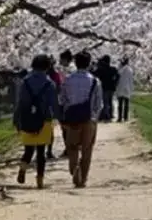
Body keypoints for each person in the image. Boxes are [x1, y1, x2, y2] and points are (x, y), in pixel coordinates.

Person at [58, 50, 104, 187]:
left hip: (73, 118)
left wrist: (66, 112)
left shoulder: (67, 80)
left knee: (72, 147)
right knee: (87, 148)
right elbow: (99, 103)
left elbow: (62, 99)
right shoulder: (95, 81)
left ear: (75, 63)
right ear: (89, 64)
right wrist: (95, 117)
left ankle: (74, 168)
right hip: (89, 119)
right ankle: (83, 177)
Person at [13, 54, 58, 189]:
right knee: (41, 151)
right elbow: (53, 103)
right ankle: (40, 179)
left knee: (28, 150)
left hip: (27, 118)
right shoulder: (50, 83)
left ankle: (23, 168)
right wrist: (59, 117)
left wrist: (16, 120)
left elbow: (19, 102)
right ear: (47, 67)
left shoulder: (25, 82)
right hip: (44, 119)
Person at [45, 56, 63, 160]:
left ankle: (41, 149)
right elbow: (59, 89)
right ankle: (49, 151)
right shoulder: (55, 75)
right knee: (49, 129)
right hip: (50, 104)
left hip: (39, 105)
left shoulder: (40, 75)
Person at [95, 55, 119, 122]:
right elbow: (118, 76)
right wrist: (115, 82)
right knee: (110, 101)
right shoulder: (113, 69)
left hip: (105, 87)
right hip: (112, 87)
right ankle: (110, 114)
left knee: (105, 102)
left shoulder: (101, 69)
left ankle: (107, 115)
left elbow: (95, 74)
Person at [115, 58, 134, 122]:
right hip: (127, 88)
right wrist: (131, 88)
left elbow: (117, 78)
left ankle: (119, 117)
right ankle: (125, 117)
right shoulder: (130, 70)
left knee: (120, 104)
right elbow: (131, 80)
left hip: (120, 87)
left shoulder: (120, 69)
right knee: (126, 104)